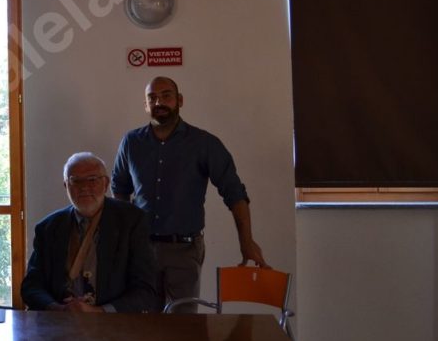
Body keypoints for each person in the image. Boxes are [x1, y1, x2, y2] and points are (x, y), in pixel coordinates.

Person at [111, 76, 268, 311]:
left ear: (180, 100)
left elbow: (234, 194)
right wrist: (125, 237)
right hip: (141, 251)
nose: (159, 102)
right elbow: (120, 189)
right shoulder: (131, 142)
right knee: (142, 327)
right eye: (152, 98)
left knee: (183, 330)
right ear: (145, 105)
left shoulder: (204, 143)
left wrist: (246, 241)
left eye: (166, 95)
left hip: (184, 251)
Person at [20, 152, 158, 313]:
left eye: (92, 180)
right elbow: (31, 287)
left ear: (106, 183)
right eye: (75, 181)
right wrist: (57, 309)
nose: (84, 187)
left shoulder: (131, 221)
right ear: (66, 186)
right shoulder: (49, 228)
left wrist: (100, 312)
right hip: (60, 321)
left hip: (112, 324)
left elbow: (145, 291)